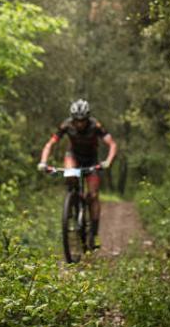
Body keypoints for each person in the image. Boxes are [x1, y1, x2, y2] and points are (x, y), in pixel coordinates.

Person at [37, 99, 117, 248]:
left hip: (91, 160)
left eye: (83, 121)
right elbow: (50, 144)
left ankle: (94, 233)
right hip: (73, 156)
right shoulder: (66, 125)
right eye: (76, 121)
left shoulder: (96, 126)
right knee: (70, 174)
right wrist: (43, 161)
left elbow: (112, 144)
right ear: (72, 119)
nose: (79, 124)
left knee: (93, 195)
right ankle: (73, 201)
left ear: (88, 118)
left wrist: (108, 161)